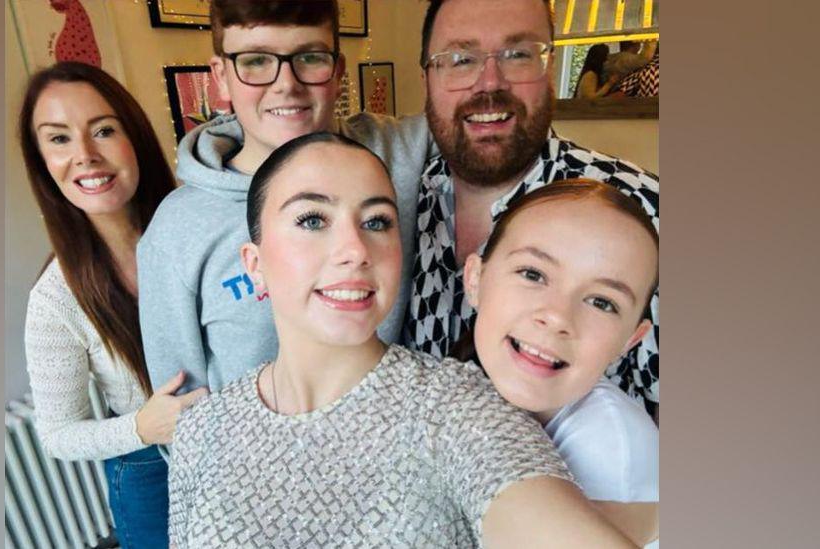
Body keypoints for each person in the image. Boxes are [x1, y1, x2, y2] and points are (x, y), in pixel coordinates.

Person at [168, 132, 636, 548]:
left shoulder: (460, 410)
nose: (355, 251)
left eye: (376, 222)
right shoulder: (200, 431)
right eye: (312, 219)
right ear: (254, 264)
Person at [139, 0, 433, 406]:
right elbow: (181, 408)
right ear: (220, 77)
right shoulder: (178, 229)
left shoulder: (395, 151)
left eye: (309, 58)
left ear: (339, 71)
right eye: (256, 61)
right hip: (257, 458)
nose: (286, 85)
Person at [407, 0, 661, 420]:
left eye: (519, 54)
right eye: (459, 59)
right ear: (427, 80)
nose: (489, 83)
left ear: (549, 68)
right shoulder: (396, 207)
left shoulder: (647, 212)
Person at [19, 62, 206, 549]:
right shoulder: (55, 299)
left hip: (240, 439)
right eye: (58, 139)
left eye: (102, 130)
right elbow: (58, 435)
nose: (84, 155)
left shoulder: (197, 230)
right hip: (148, 464)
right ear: (42, 161)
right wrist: (142, 427)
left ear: (135, 138)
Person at [456, 179, 660, 547]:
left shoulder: (609, 444)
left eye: (602, 302)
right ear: (475, 279)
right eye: (533, 274)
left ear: (630, 340)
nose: (557, 316)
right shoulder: (458, 390)